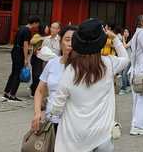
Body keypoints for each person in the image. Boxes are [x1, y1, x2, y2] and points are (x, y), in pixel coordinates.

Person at [48, 19, 128, 152]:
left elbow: (56, 108)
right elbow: (126, 58)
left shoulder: (70, 71)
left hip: (74, 135)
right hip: (102, 134)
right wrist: (114, 38)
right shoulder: (108, 64)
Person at [32, 24, 76, 132]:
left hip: (73, 125)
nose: (70, 44)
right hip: (51, 121)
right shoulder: (52, 63)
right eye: (67, 39)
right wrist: (38, 113)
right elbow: (40, 91)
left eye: (74, 41)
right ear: (61, 42)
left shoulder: (82, 67)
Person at [3, 15, 40, 102]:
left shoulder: (22, 28)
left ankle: (6, 92)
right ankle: (12, 95)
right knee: (18, 74)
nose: (38, 25)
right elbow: (25, 45)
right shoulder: (27, 31)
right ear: (34, 23)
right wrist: (26, 58)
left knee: (13, 73)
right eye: (37, 24)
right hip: (20, 52)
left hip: (15, 50)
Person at [119, 28, 131, 95]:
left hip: (129, 60)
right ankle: (128, 85)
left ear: (129, 34)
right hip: (123, 60)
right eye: (124, 31)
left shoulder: (130, 41)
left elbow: (125, 46)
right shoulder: (121, 40)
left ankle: (123, 88)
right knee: (124, 73)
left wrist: (123, 39)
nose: (125, 33)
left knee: (124, 73)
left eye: (127, 32)